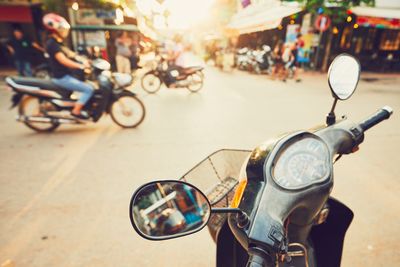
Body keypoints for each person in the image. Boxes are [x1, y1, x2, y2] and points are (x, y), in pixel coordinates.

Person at [43, 13, 93, 119]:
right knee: (88, 89)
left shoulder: (58, 43)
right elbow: (64, 61)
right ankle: (76, 111)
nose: (65, 31)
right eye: (62, 28)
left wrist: (84, 61)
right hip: (62, 78)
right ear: (56, 29)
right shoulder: (53, 44)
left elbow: (71, 54)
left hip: (66, 75)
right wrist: (80, 66)